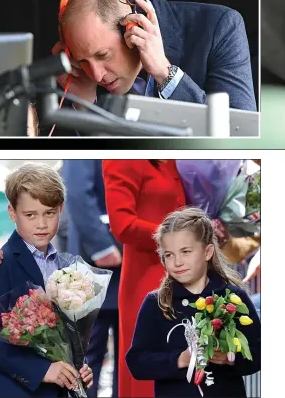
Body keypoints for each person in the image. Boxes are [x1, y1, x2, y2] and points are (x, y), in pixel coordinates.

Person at [53, 0, 256, 113]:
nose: (96, 76)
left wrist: (165, 73)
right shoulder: (76, 77)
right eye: (83, 61)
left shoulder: (221, 26)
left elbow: (240, 133)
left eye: (103, 55)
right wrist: (84, 106)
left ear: (132, 28)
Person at [126, 207, 261, 397]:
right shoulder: (156, 303)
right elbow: (137, 362)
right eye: (169, 255)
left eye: (186, 251)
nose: (177, 262)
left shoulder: (233, 297)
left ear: (207, 252)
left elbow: (259, 353)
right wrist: (179, 359)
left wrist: (231, 359)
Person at [0, 164, 93, 397]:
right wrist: (42, 370)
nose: (42, 224)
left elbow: (67, 335)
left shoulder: (68, 267)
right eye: (30, 215)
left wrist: (77, 366)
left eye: (49, 212)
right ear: (12, 213)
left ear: (61, 209)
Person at [103, 160, 187, 398]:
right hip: (147, 279)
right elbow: (123, 225)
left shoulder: (172, 159)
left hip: (185, 277)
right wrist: (179, 239)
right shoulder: (123, 157)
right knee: (150, 375)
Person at [62, 161, 121, 398]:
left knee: (130, 356)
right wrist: (101, 245)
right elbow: (76, 192)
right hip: (94, 261)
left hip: (130, 258)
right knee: (86, 358)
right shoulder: (81, 134)